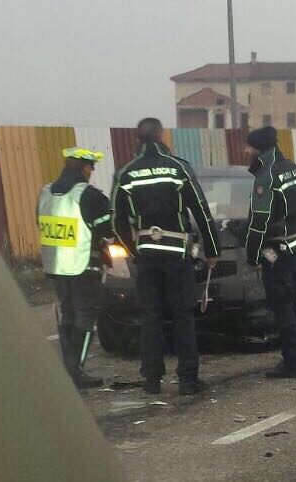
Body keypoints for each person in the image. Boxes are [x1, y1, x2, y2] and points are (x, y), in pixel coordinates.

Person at [111, 118, 220, 396]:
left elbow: (117, 221)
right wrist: (212, 250)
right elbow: (201, 211)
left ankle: (152, 380)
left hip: (147, 253)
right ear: (161, 135)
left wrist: (134, 250)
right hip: (177, 252)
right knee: (183, 315)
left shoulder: (127, 173)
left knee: (151, 316)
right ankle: (187, 379)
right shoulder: (178, 167)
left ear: (138, 138)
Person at [37, 147, 113, 389]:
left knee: (68, 312)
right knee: (86, 313)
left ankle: (68, 368)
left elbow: (40, 223)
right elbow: (108, 232)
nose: (92, 172)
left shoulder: (46, 192)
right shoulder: (89, 195)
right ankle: (75, 371)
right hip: (83, 265)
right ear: (83, 167)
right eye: (91, 167)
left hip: (57, 266)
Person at [244, 126, 296, 379]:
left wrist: (252, 257)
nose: (245, 151)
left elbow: (258, 223)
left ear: (258, 148)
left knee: (281, 305)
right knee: (292, 300)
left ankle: (293, 362)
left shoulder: (266, 176)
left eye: (248, 147)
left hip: (278, 251)